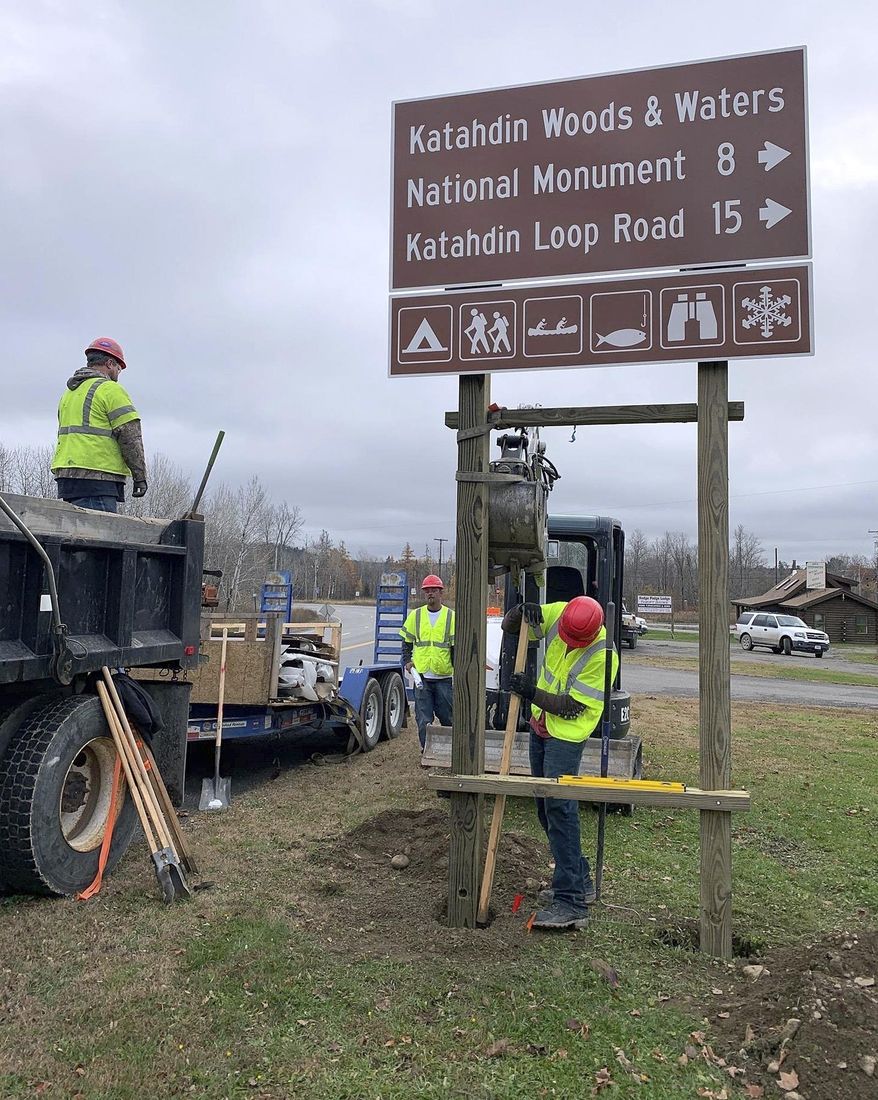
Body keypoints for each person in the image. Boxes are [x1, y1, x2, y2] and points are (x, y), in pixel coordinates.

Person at [501, 595, 618, 931]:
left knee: (560, 809)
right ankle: (579, 878)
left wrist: (531, 692)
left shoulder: (604, 655)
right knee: (543, 807)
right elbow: (512, 628)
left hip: (566, 735)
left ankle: (571, 902)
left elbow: (571, 706)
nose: (567, 641)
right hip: (541, 725)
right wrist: (519, 611)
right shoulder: (561, 613)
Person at [51, 337, 148, 513]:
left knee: (73, 536)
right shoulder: (110, 389)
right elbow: (130, 436)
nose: (119, 372)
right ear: (110, 363)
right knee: (96, 537)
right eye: (119, 367)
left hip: (67, 478)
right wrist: (139, 476)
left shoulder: (69, 393)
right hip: (98, 477)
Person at [399, 575, 455, 751]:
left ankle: (449, 751)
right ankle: (427, 750)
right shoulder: (416, 616)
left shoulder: (451, 617)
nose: (430, 593)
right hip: (422, 677)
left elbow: (456, 648)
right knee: (423, 718)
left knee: (448, 717)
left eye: (434, 590)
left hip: (444, 676)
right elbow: (406, 643)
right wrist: (407, 661)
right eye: (427, 590)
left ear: (440, 592)